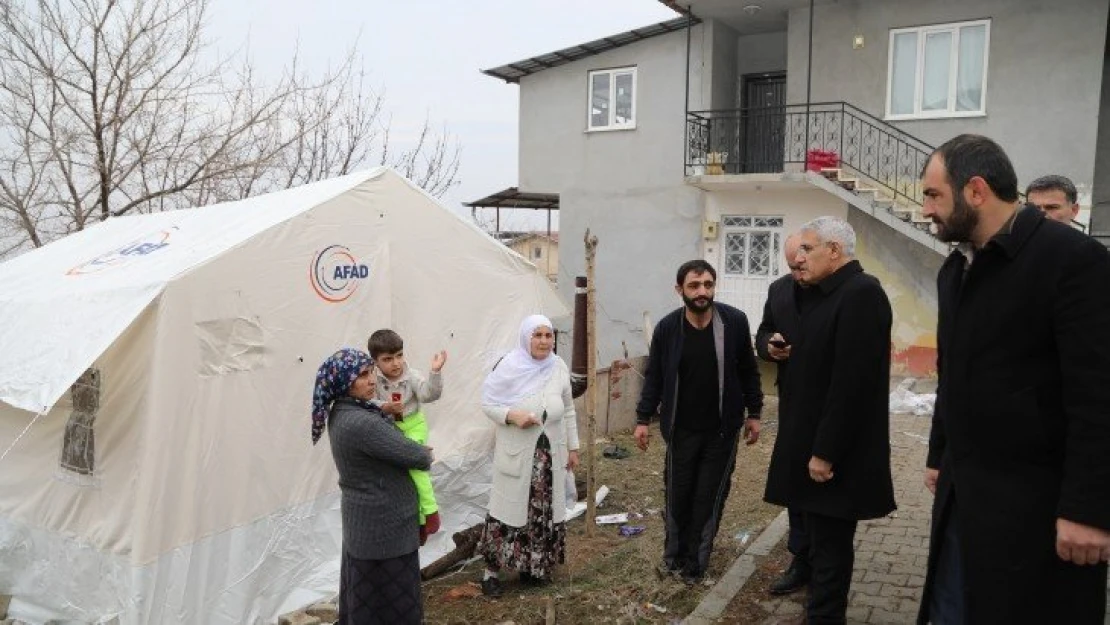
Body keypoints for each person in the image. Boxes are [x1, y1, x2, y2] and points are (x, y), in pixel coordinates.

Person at [917, 134, 1110, 624]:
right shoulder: (955, 270)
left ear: (976, 191)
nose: (925, 210)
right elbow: (952, 373)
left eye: (934, 195)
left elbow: (1098, 395)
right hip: (965, 497)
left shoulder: (1072, 261)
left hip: (1040, 512)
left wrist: (1089, 509)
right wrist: (940, 453)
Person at [763, 217, 896, 625]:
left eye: (806, 250)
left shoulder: (861, 294)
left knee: (832, 554)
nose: (797, 259)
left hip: (836, 453)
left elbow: (852, 384)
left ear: (834, 251)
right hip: (807, 439)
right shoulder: (818, 292)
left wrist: (825, 451)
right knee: (818, 546)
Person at [634, 259, 763, 585]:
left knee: (708, 498)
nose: (702, 291)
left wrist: (755, 414)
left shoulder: (733, 322)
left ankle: (695, 565)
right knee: (678, 495)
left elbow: (749, 371)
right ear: (680, 290)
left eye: (707, 284)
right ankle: (673, 558)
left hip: (721, 433)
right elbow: (655, 378)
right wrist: (642, 418)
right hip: (680, 432)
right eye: (694, 285)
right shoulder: (667, 329)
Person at [311, 348, 433, 625]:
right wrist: (423, 451)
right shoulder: (361, 423)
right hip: (384, 530)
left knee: (367, 601)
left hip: (367, 526)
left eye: (371, 373)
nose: (371, 380)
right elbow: (418, 456)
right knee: (391, 604)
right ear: (344, 382)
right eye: (363, 375)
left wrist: (384, 410)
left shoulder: (344, 411)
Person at [476, 314, 580, 598]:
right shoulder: (509, 367)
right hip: (518, 457)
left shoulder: (558, 366)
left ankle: (531, 568)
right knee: (507, 514)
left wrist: (573, 447)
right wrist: (512, 415)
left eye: (548, 335)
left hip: (549, 458)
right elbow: (488, 403)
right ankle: (490, 574)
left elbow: (568, 409)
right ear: (526, 338)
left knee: (540, 514)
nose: (544, 341)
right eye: (538, 335)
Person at [755, 233, 811, 596]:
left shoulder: (839, 292)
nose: (796, 272)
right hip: (791, 399)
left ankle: (823, 558)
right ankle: (800, 558)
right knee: (794, 480)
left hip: (826, 399)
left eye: (801, 265)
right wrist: (770, 348)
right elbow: (761, 333)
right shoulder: (778, 290)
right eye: (790, 266)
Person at [367, 329, 447, 545]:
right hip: (391, 428)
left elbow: (428, 394)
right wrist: (384, 406)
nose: (396, 363)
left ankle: (431, 512)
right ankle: (418, 523)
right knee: (401, 476)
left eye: (399, 355)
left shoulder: (411, 375)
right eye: (388, 359)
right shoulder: (373, 379)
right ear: (375, 361)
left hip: (414, 426)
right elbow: (366, 402)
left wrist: (435, 373)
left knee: (415, 465)